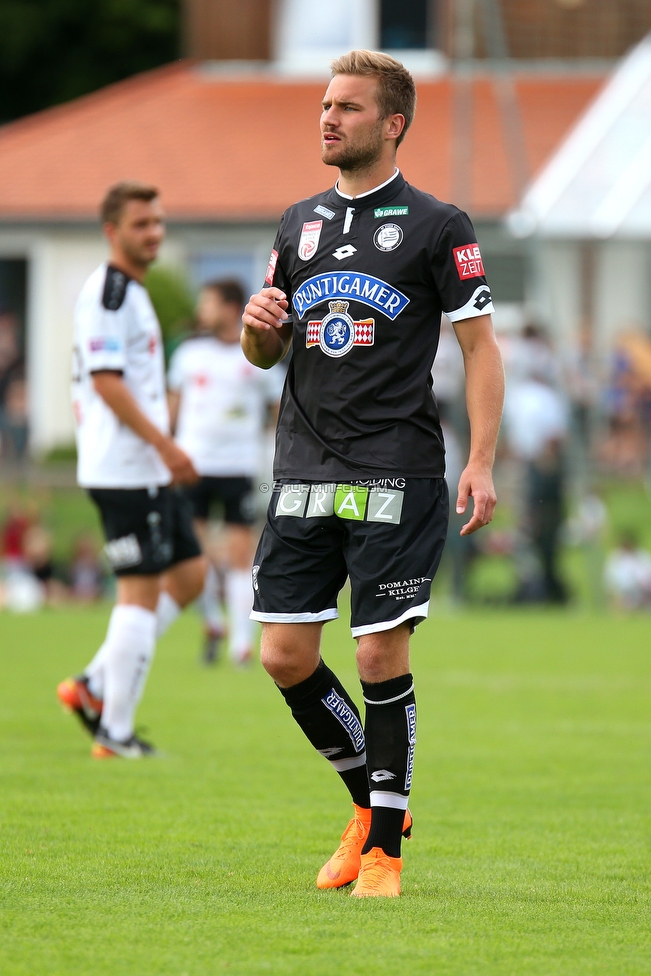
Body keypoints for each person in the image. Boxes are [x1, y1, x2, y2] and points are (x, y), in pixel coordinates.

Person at [242, 50, 504, 897]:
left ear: (391, 124)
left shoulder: (437, 224)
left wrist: (481, 459)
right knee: (283, 654)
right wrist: (256, 325)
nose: (327, 117)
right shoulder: (297, 223)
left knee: (377, 651)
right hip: (301, 469)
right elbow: (264, 352)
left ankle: (385, 851)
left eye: (346, 107)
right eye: (324, 104)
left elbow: (479, 349)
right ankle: (368, 803)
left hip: (395, 469)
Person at [57, 180, 205, 759]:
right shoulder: (110, 292)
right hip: (123, 468)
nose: (154, 233)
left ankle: (93, 683)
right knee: (138, 593)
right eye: (141, 224)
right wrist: (166, 447)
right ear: (112, 232)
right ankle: (115, 733)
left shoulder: (137, 291)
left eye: (158, 222)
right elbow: (106, 382)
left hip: (146, 467)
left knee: (190, 576)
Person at [168, 279, 283, 665]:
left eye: (209, 302)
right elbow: (173, 408)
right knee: (192, 554)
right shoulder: (188, 353)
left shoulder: (253, 354)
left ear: (231, 308)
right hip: (192, 465)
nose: (203, 309)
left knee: (238, 553)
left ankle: (241, 644)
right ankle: (214, 621)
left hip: (238, 467)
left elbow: (279, 413)